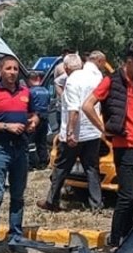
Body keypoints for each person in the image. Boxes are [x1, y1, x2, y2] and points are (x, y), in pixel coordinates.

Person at [83, 44, 133, 247]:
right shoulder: (111, 81)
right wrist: (103, 129)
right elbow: (87, 105)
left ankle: (127, 238)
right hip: (125, 146)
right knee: (126, 196)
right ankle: (115, 240)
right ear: (129, 62)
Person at [0, 55, 38, 253]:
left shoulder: (25, 92)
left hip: (20, 148)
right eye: (8, 69)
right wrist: (6, 126)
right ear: (0, 71)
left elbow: (33, 114)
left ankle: (16, 238)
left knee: (18, 196)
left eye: (15, 69)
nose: (12, 72)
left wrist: (33, 122)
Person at [39, 53, 103, 213]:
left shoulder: (72, 81)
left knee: (61, 168)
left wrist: (70, 133)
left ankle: (52, 201)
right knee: (91, 168)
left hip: (76, 134)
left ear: (66, 68)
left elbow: (74, 110)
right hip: (93, 132)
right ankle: (97, 205)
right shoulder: (94, 77)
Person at [27, 69, 53, 170]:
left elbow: (28, 105)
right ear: (38, 79)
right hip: (45, 118)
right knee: (42, 142)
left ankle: (31, 163)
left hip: (33, 118)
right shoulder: (46, 91)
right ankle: (43, 162)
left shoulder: (30, 92)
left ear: (29, 80)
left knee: (30, 142)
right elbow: (49, 103)